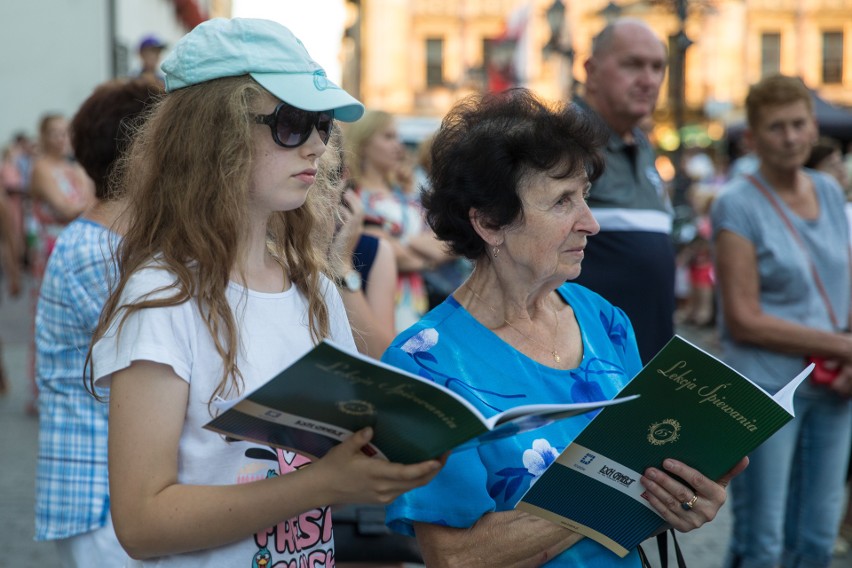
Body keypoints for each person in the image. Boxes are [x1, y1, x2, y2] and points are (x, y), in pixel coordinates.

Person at [87, 18, 443, 566]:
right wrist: (322, 486)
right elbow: (141, 521)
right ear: (214, 135)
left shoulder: (313, 286)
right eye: (292, 123)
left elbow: (350, 437)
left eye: (322, 125)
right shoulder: (162, 298)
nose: (317, 147)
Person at [382, 88, 745, 567]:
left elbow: (647, 479)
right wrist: (614, 487)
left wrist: (684, 498)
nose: (590, 223)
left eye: (585, 198)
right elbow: (454, 556)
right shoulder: (424, 362)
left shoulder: (604, 320)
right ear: (490, 222)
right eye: (562, 202)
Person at [710, 74, 852, 568]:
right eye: (776, 128)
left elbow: (844, 281)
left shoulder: (829, 192)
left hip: (834, 385)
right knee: (763, 541)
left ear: (813, 128)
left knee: (816, 536)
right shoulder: (737, 202)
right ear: (752, 137)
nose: (790, 138)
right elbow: (744, 319)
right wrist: (844, 348)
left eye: (798, 124)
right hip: (767, 390)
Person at [34, 77, 162, 566]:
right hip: (102, 495)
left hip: (110, 490)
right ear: (141, 153)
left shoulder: (110, 243)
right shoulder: (94, 251)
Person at [571, 18, 674, 364]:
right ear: (591, 70)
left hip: (645, 357)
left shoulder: (642, 144)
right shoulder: (564, 141)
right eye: (632, 64)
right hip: (589, 365)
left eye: (657, 67)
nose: (649, 80)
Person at [344, 110, 451, 332]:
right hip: (375, 299)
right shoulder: (353, 195)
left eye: (398, 138)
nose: (398, 146)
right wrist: (425, 255)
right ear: (363, 143)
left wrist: (395, 238)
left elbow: (444, 245)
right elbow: (392, 255)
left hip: (415, 300)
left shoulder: (407, 192)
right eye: (388, 137)